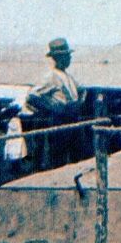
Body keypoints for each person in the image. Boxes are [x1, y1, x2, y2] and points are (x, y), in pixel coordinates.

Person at [25, 37, 84, 168]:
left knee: (75, 153)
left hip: (73, 117)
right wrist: (52, 107)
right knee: (59, 153)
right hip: (60, 119)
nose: (69, 59)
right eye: (66, 56)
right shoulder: (51, 76)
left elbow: (80, 91)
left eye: (69, 56)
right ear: (58, 58)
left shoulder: (68, 77)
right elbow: (32, 96)